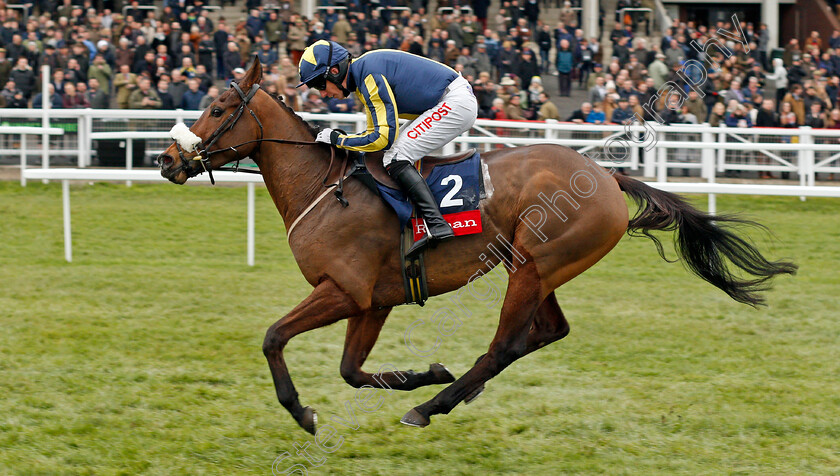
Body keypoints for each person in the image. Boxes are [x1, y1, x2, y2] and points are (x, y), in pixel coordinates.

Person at [298, 40, 478, 257]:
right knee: (392, 154)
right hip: (450, 98)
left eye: (319, 84)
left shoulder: (369, 77)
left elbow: (382, 138)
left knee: (395, 156)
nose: (323, 94)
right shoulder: (364, 75)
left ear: (335, 72)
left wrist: (338, 140)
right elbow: (375, 135)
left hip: (455, 101)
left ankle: (436, 224)